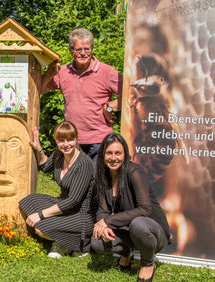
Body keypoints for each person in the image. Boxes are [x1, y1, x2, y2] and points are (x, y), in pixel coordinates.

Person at [91, 133, 170, 282]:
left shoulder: (135, 172)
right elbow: (103, 209)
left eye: (118, 153)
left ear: (125, 154)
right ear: (102, 154)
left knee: (138, 224)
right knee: (97, 240)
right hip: (128, 230)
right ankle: (126, 253)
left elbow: (145, 209)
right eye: (109, 153)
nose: (113, 158)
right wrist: (103, 225)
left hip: (151, 231)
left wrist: (109, 221)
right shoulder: (102, 175)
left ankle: (147, 263)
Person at [41, 28, 123, 163]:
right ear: (71, 50)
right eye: (78, 50)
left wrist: (109, 107)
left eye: (87, 49)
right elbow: (39, 90)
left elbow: (131, 95)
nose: (83, 53)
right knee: (74, 183)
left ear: (92, 49)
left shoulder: (107, 72)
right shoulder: (64, 72)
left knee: (97, 182)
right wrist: (49, 73)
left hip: (99, 141)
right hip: (72, 141)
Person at [19, 121, 96, 258]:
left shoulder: (84, 163)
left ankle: (74, 243)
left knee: (40, 227)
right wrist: (38, 149)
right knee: (29, 200)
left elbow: (73, 201)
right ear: (56, 141)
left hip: (81, 214)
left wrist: (41, 214)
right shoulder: (58, 155)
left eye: (70, 139)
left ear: (76, 139)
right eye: (61, 140)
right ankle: (63, 237)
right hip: (64, 205)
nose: (66, 144)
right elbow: (45, 166)